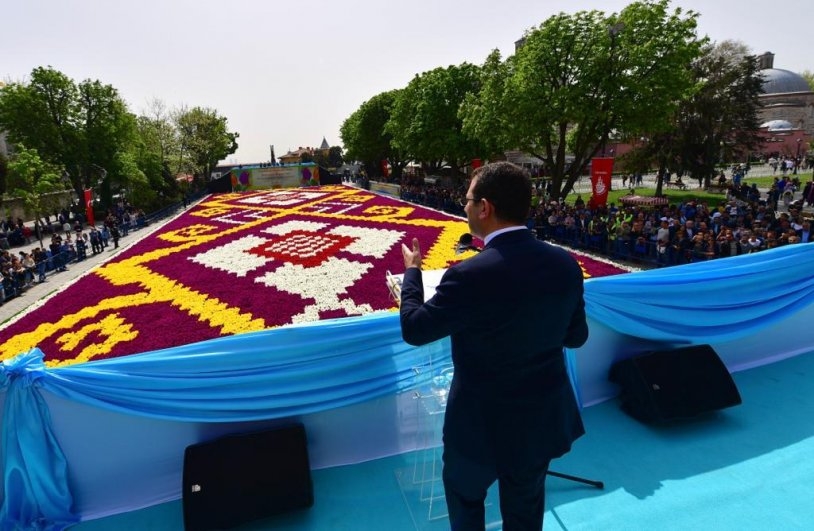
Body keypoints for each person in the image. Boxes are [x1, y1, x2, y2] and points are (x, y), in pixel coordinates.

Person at [399, 161, 588, 530]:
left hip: (477, 427)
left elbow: (415, 329)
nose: (465, 207)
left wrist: (412, 273)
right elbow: (576, 337)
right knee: (525, 510)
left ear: (485, 208)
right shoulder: (564, 264)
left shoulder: (469, 276)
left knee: (467, 504)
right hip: (539, 421)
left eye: (468, 200)